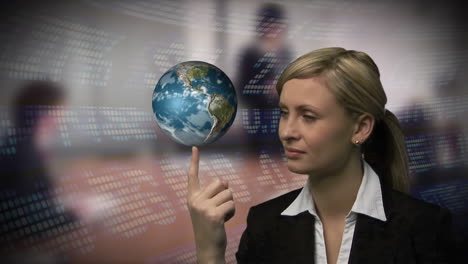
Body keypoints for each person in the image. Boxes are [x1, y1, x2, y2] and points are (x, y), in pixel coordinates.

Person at [187, 48, 456, 263]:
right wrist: (209, 252)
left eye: (308, 116)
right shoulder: (264, 223)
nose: (287, 132)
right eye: (284, 113)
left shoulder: (426, 227)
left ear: (361, 127)